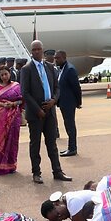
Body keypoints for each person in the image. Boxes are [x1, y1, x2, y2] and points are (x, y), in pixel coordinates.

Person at [20, 40, 71, 184]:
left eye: (38, 49)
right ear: (31, 51)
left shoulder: (50, 67)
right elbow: (25, 92)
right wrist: (37, 109)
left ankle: (57, 171)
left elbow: (57, 88)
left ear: (43, 50)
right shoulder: (27, 69)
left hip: (50, 111)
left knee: (52, 144)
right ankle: (36, 173)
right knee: (35, 144)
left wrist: (53, 101)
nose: (36, 51)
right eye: (34, 49)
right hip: (36, 113)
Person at [0, 64, 24, 175]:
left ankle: (11, 165)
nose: (4, 76)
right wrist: (3, 105)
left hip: (14, 116)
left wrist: (13, 103)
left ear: (10, 74)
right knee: (2, 141)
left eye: (6, 74)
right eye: (2, 75)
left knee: (13, 140)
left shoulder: (16, 85)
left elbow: (22, 100)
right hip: (1, 117)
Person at [54, 50, 82, 157]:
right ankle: (70, 147)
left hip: (69, 103)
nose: (56, 60)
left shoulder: (70, 70)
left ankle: (72, 148)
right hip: (64, 103)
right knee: (67, 125)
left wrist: (78, 102)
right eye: (55, 58)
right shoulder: (62, 69)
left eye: (58, 58)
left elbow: (76, 87)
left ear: (64, 58)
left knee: (70, 125)